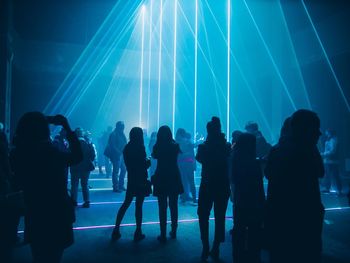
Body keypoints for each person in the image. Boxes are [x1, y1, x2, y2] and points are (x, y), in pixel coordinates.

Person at [10, 112, 82, 263]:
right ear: (44, 131)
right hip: (56, 214)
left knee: (39, 255)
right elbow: (77, 156)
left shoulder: (18, 154)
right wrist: (66, 126)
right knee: (53, 256)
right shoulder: (50, 154)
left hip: (35, 213)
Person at [265, 109, 324, 263]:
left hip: (280, 221)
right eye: (315, 129)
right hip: (302, 222)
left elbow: (269, 174)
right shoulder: (307, 151)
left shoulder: (277, 150)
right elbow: (320, 171)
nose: (319, 134)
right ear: (305, 129)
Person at [196, 117, 231, 260]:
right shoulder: (226, 146)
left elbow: (200, 159)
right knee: (220, 216)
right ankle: (216, 246)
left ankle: (205, 246)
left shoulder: (203, 147)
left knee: (203, 215)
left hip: (207, 184)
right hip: (222, 184)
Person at [111, 127, 151, 242]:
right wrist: (148, 161)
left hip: (132, 179)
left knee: (126, 203)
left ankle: (116, 229)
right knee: (139, 206)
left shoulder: (127, 148)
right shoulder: (140, 147)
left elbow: (131, 164)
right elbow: (143, 165)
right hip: (141, 179)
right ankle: (138, 231)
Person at [231, 133, 265, 263]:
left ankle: (238, 258)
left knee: (239, 230)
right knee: (254, 232)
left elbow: (234, 179)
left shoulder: (236, 159)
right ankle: (253, 258)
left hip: (241, 200)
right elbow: (259, 184)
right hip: (254, 201)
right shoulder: (254, 162)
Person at [151, 126, 183, 243]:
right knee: (174, 206)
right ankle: (174, 231)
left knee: (162, 206)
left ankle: (163, 233)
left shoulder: (157, 146)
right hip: (174, 176)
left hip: (161, 176)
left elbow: (154, 156)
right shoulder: (174, 146)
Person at [70, 128, 96, 208]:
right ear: (82, 134)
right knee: (85, 184)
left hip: (75, 167)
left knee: (74, 184)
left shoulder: (72, 143)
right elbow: (93, 156)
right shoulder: (87, 142)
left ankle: (74, 201)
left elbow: (69, 154)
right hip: (86, 167)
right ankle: (87, 201)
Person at [105, 121, 127, 192]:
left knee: (123, 169)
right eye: (122, 126)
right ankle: (116, 187)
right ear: (118, 126)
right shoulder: (113, 134)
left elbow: (125, 143)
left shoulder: (121, 133)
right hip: (116, 155)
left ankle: (121, 185)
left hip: (122, 155)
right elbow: (112, 145)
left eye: (123, 126)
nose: (123, 127)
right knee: (116, 171)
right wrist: (119, 152)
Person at [178, 131, 197, 205]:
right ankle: (194, 198)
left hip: (182, 165)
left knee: (183, 181)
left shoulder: (180, 144)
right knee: (191, 182)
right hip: (189, 165)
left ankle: (184, 197)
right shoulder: (189, 145)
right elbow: (193, 155)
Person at [321, 129, 342, 195]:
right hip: (328, 161)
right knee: (327, 175)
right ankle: (328, 188)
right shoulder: (329, 140)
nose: (326, 134)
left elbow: (333, 151)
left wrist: (323, 154)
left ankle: (339, 190)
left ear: (330, 132)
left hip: (333, 161)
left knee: (335, 175)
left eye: (327, 132)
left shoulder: (334, 140)